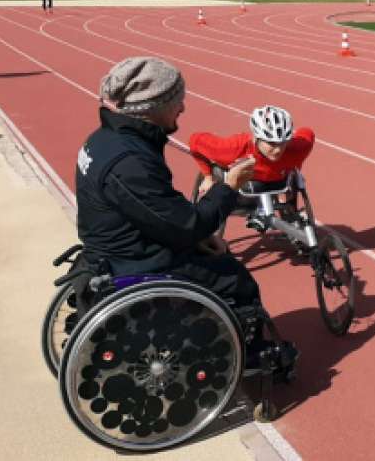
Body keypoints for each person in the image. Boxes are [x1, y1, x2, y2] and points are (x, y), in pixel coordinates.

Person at [74, 57, 295, 365]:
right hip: (133, 261)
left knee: (210, 255)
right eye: (177, 100)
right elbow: (188, 224)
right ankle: (248, 358)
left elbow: (157, 210)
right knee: (237, 280)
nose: (183, 107)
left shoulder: (106, 140)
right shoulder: (129, 161)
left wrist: (193, 240)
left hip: (118, 246)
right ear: (152, 107)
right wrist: (228, 186)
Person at [189, 105, 316, 251]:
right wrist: (208, 176)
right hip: (243, 189)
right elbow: (194, 141)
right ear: (256, 137)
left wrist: (296, 165)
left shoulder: (298, 148)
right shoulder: (233, 148)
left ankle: (294, 226)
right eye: (271, 143)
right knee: (218, 170)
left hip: (277, 184)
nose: (278, 150)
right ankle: (215, 236)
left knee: (294, 176)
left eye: (283, 143)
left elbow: (308, 134)